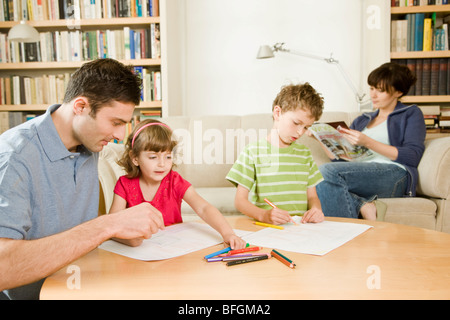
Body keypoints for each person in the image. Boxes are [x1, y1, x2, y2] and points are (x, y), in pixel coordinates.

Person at [0, 59, 166, 300]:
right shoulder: (14, 157)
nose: (120, 135)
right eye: (115, 122)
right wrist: (108, 225)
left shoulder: (89, 143)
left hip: (83, 287)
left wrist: (122, 229)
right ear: (80, 106)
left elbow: (66, 227)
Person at [109, 119, 247, 249]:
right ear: (135, 158)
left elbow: (204, 208)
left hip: (173, 250)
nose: (162, 164)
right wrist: (129, 240)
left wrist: (228, 233)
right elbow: (111, 225)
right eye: (153, 157)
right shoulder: (124, 184)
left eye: (168, 156)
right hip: (137, 257)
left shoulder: (174, 181)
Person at [315, 62, 426, 220]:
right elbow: (339, 159)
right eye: (372, 88)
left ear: (398, 92)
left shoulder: (411, 114)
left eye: (380, 91)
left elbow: (413, 156)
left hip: (394, 174)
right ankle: (362, 206)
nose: (373, 95)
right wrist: (321, 138)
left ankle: (342, 234)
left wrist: (368, 142)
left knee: (326, 172)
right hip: (362, 173)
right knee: (319, 178)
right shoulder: (362, 120)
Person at [226, 83, 325, 225]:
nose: (300, 132)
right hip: (268, 229)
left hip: (300, 229)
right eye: (296, 123)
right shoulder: (252, 152)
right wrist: (264, 215)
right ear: (277, 113)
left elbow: (312, 198)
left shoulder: (305, 154)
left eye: (306, 127)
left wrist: (316, 210)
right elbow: (240, 201)